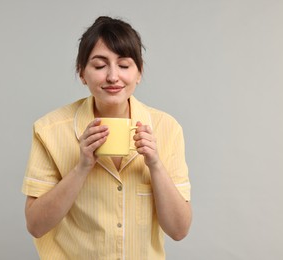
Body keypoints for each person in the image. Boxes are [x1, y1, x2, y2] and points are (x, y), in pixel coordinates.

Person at [22, 16, 192, 260]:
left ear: (139, 72)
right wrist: (82, 167)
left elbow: (179, 230)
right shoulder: (49, 130)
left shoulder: (167, 128)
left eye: (124, 65)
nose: (113, 77)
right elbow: (36, 226)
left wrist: (155, 164)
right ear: (82, 73)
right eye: (100, 66)